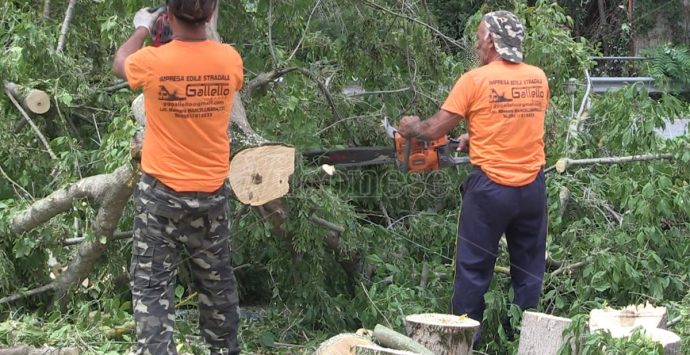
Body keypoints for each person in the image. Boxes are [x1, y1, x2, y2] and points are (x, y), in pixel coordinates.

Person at [398, 11, 549, 343]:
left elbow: (433, 129)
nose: (477, 44)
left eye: (480, 38)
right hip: (532, 190)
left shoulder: (474, 80)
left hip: (490, 191)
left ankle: (465, 345)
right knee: (528, 273)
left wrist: (411, 128)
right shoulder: (538, 78)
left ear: (492, 41)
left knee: (472, 272)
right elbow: (520, 124)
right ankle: (521, 341)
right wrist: (476, 136)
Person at [112, 1, 243, 354]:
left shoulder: (152, 63)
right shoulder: (229, 59)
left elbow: (120, 63)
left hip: (161, 196)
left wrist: (142, 26)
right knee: (217, 287)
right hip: (211, 193)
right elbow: (194, 65)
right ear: (212, 13)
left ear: (167, 14)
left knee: (152, 287)